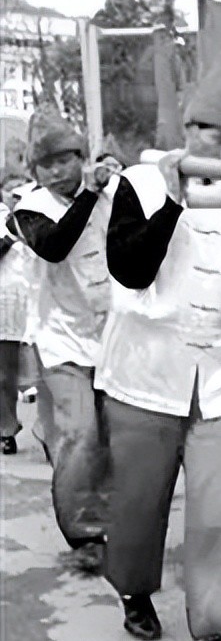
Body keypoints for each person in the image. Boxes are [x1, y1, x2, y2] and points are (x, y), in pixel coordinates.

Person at [97, 50, 221, 641]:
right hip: (143, 374)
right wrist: (172, 202)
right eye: (200, 129)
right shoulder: (139, 184)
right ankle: (134, 588)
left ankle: (219, 629)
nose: (208, 143)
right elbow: (129, 269)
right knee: (139, 503)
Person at [11, 109, 118, 572]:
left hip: (114, 339)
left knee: (110, 438)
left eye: (64, 160)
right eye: (46, 164)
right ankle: (84, 532)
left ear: (81, 157)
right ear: (34, 171)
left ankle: (109, 514)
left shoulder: (108, 194)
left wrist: (112, 178)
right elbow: (54, 245)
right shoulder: (27, 209)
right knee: (81, 434)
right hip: (61, 341)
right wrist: (90, 194)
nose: (56, 172)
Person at [0, 171, 36, 454]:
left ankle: (7, 428)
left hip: (15, 303)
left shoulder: (14, 216)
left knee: (7, 371)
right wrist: (11, 237)